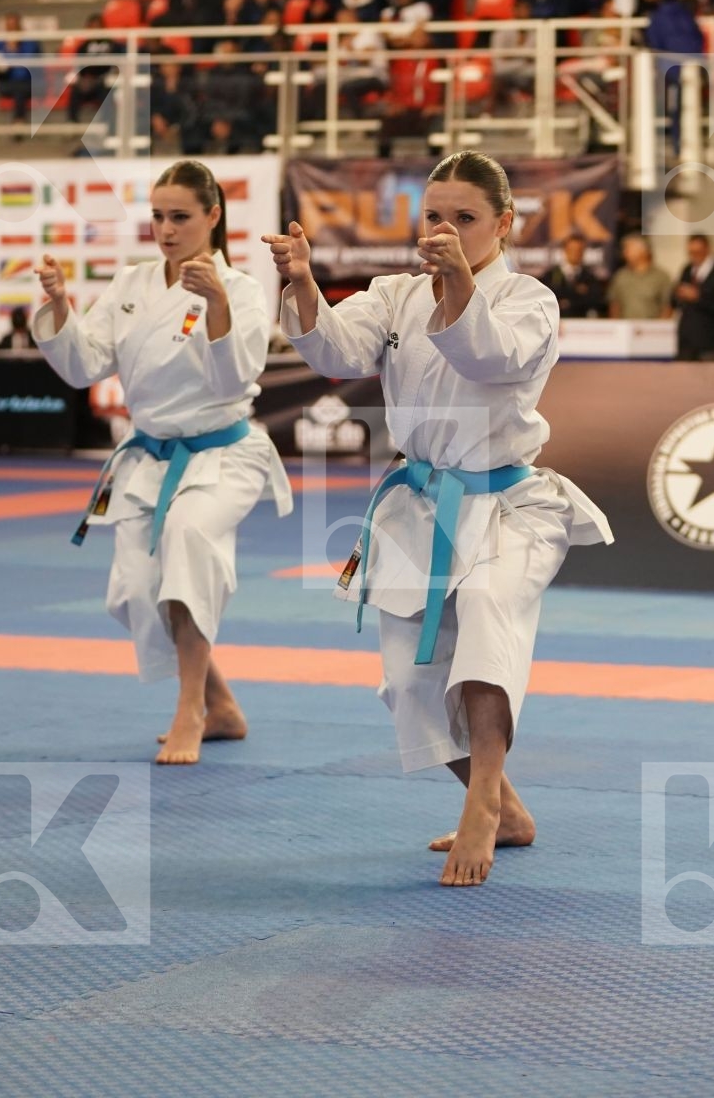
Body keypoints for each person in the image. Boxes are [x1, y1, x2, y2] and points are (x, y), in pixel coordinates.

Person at [265, 150, 613, 887]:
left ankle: (483, 806)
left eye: (465, 219)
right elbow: (332, 347)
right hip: (421, 502)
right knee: (409, 683)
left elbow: (489, 360)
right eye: (433, 217)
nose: (445, 231)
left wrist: (457, 279)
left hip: (511, 503)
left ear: (504, 225)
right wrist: (299, 283)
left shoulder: (529, 301)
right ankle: (509, 808)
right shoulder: (395, 295)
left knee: (488, 613)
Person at [32, 160, 293, 766]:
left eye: (180, 217)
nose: (167, 229)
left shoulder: (244, 290)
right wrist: (60, 306)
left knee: (188, 538)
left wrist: (217, 305)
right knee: (136, 589)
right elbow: (83, 366)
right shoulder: (131, 285)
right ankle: (221, 703)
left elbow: (237, 376)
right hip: (149, 456)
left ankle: (190, 710)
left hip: (222, 453)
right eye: (157, 217)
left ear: (212, 217)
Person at [672, 233, 714, 360]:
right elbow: (675, 301)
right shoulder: (687, 270)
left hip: (709, 341)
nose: (694, 256)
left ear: (707, 249)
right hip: (687, 341)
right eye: (691, 253)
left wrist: (698, 297)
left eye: (698, 252)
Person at [543, 232, 609, 317]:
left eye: (579, 250)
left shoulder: (589, 277)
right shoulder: (551, 276)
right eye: (571, 249)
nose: (575, 253)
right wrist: (577, 292)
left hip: (581, 325)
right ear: (565, 250)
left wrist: (568, 302)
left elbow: (595, 300)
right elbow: (548, 299)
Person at [607, 234, 670, 319]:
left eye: (628, 249)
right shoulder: (620, 276)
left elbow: (667, 306)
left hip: (652, 329)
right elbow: (614, 304)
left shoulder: (661, 277)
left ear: (643, 251)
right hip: (624, 328)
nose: (624, 253)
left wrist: (660, 327)